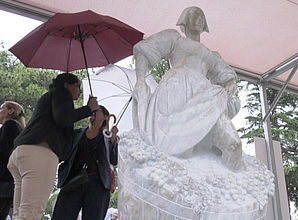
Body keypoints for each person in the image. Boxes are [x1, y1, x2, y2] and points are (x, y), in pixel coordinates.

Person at [132, 6, 242, 170]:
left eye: (202, 16)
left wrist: (231, 85)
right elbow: (144, 50)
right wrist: (140, 80)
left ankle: (225, 181)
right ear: (185, 19)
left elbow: (227, 76)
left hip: (205, 95)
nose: (199, 18)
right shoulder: (175, 39)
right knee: (173, 147)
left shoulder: (212, 55)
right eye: (195, 14)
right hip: (176, 88)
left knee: (233, 144)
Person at [7, 73, 98, 220]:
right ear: (66, 85)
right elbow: (63, 118)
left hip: (21, 154)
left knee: (21, 213)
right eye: (78, 86)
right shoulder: (62, 93)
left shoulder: (50, 97)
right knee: (30, 213)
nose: (80, 91)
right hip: (40, 153)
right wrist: (88, 108)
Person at [52, 105, 118, 220]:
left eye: (96, 111)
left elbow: (114, 160)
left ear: (105, 117)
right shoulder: (76, 133)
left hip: (98, 184)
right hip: (72, 181)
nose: (92, 112)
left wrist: (113, 140)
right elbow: (63, 153)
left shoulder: (108, 137)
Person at [0, 101, 25, 220]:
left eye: (2, 109)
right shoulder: (18, 128)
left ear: (11, 111)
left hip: (4, 179)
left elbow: (4, 150)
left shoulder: (9, 124)